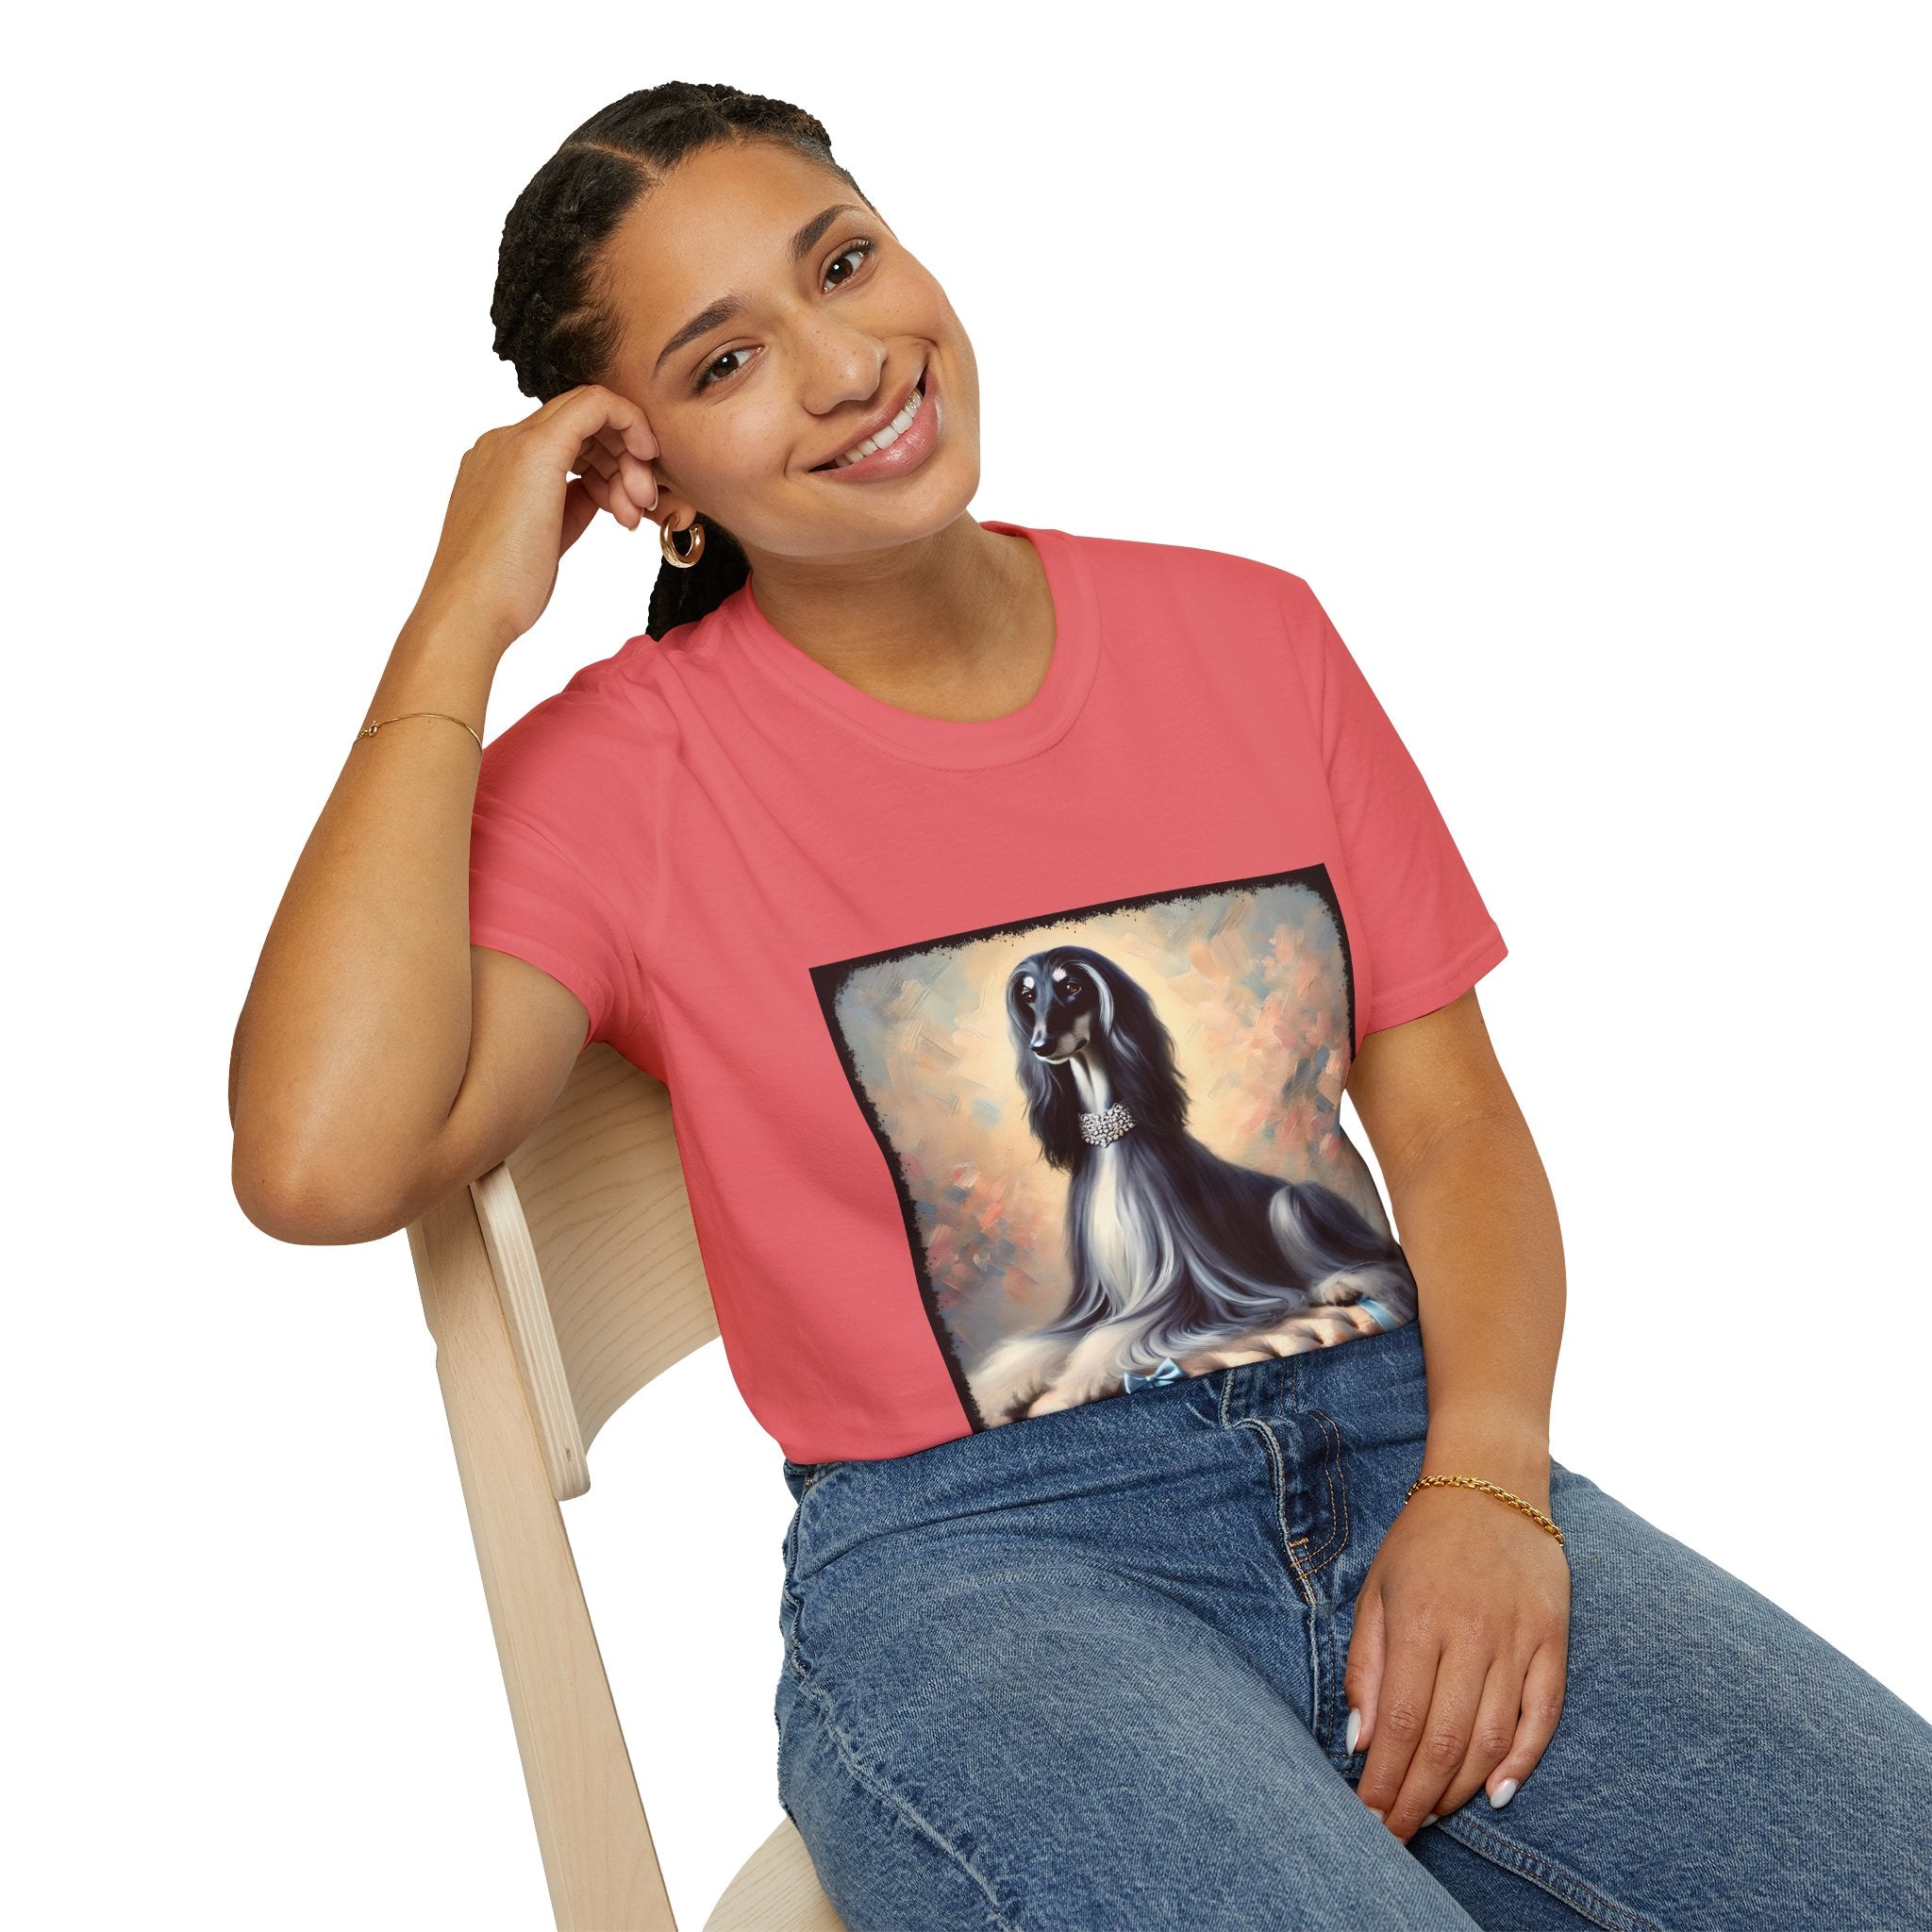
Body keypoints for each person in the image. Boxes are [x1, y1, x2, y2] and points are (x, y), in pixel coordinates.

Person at [228, 80, 1932, 1932]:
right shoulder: (627, 774)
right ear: (647, 479)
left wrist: (1489, 1486)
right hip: (986, 1567)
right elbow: (321, 1158)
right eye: (725, 362)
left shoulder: (1249, 636)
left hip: (1401, 1446)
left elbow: (1445, 1124)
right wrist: (456, 619)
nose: (845, 362)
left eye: (845, 263)